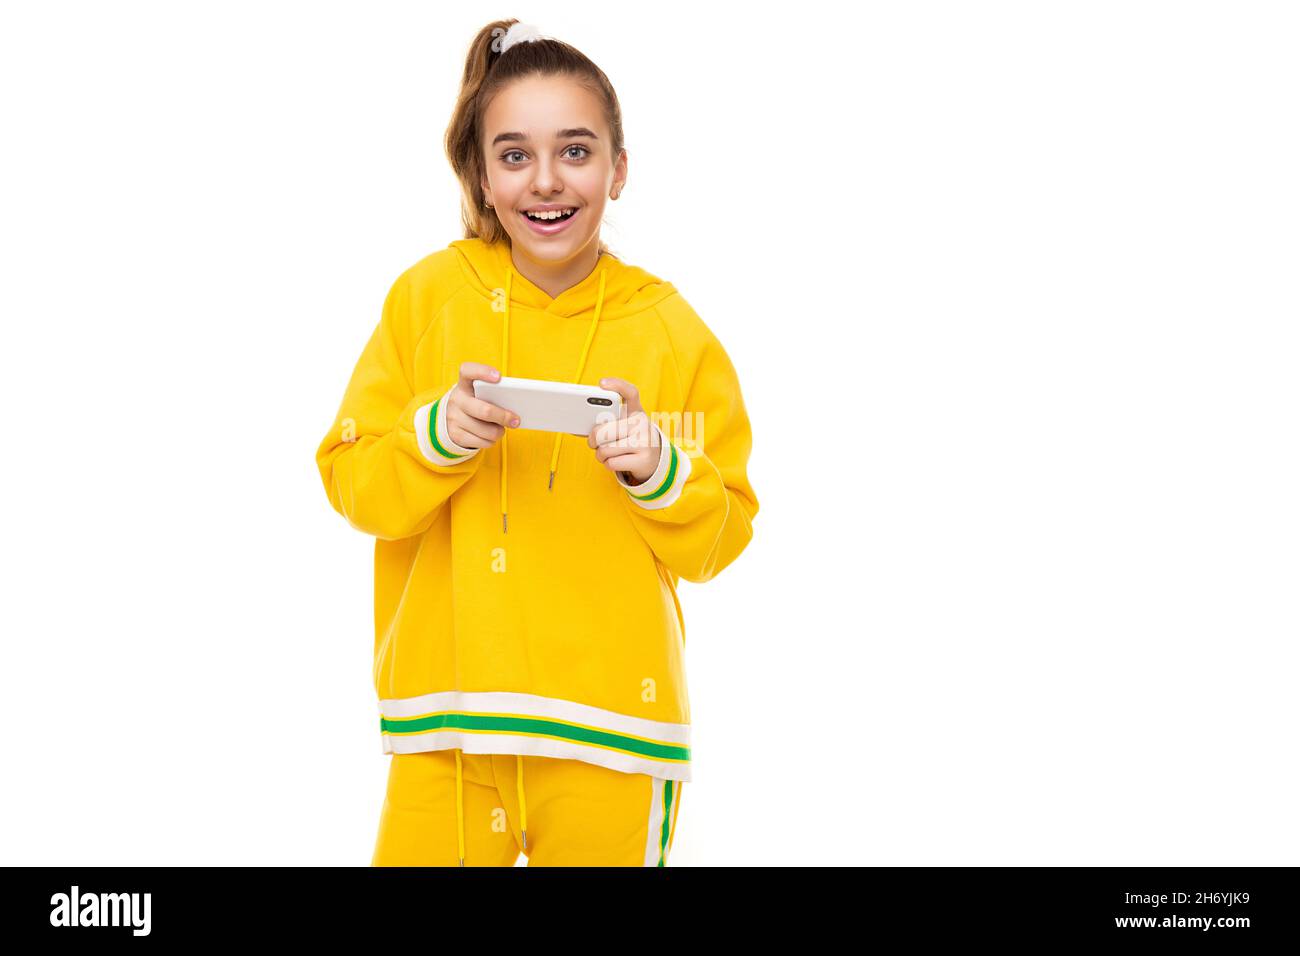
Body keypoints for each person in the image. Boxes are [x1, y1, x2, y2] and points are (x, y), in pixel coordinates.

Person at [314, 19, 759, 866]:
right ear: (480, 175)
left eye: (577, 151)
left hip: (614, 737)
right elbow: (351, 479)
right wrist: (434, 438)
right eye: (514, 154)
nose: (546, 181)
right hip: (447, 727)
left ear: (619, 170)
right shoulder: (427, 298)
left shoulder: (672, 331)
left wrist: (660, 470)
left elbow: (723, 535)